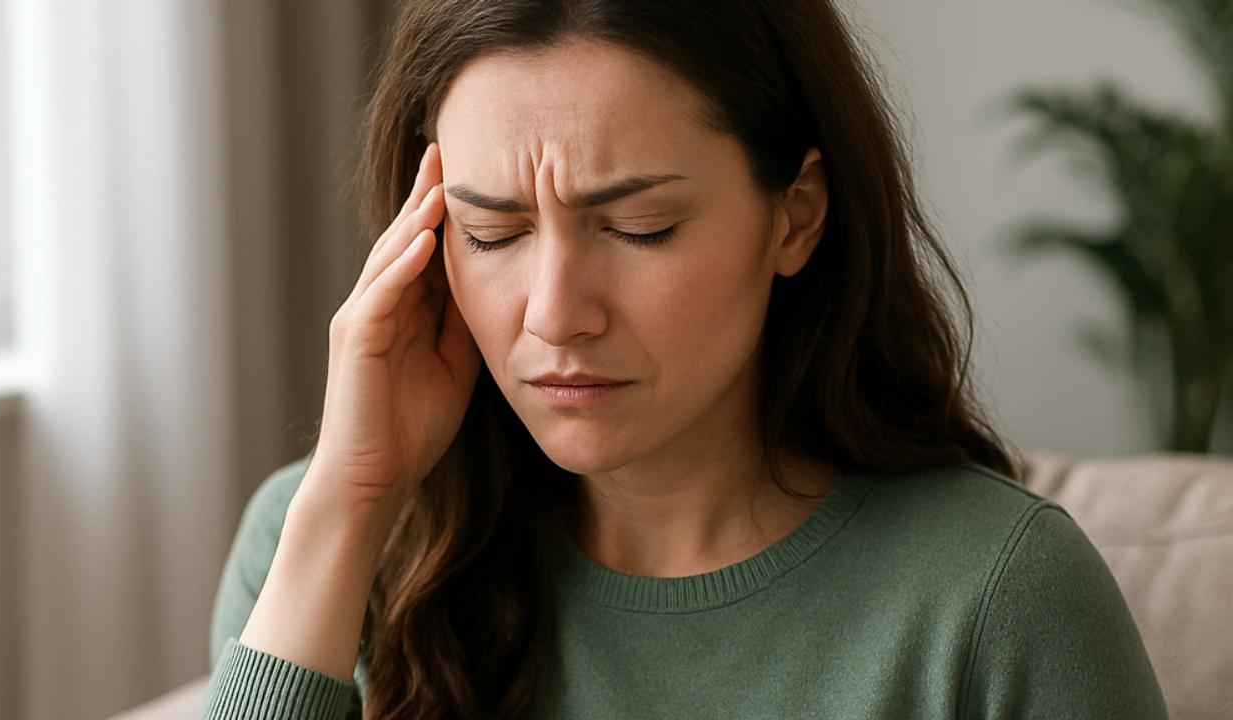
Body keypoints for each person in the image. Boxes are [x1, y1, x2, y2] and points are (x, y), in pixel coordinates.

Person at [199, 0, 1168, 718]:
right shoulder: (321, 542)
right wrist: (351, 497)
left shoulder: (995, 593)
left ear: (795, 215)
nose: (554, 314)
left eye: (638, 225)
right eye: (491, 232)